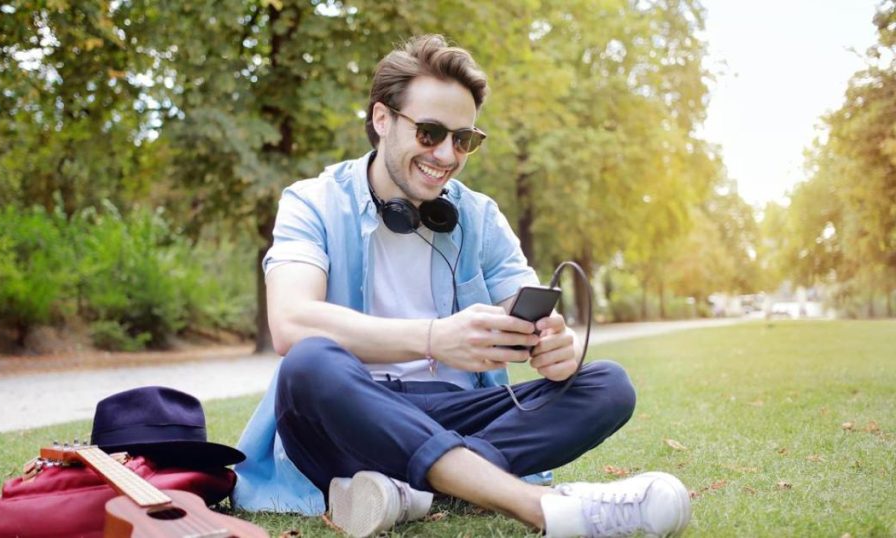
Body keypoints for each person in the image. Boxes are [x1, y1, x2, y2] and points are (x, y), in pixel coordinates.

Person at [231, 34, 691, 538]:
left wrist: (552, 342)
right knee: (309, 362)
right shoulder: (312, 202)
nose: (446, 154)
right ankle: (536, 506)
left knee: (607, 385)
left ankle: (411, 490)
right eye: (429, 133)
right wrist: (433, 338)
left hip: (453, 410)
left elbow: (523, 303)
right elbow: (291, 322)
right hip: (348, 411)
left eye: (464, 139)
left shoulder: (479, 216)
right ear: (382, 119)